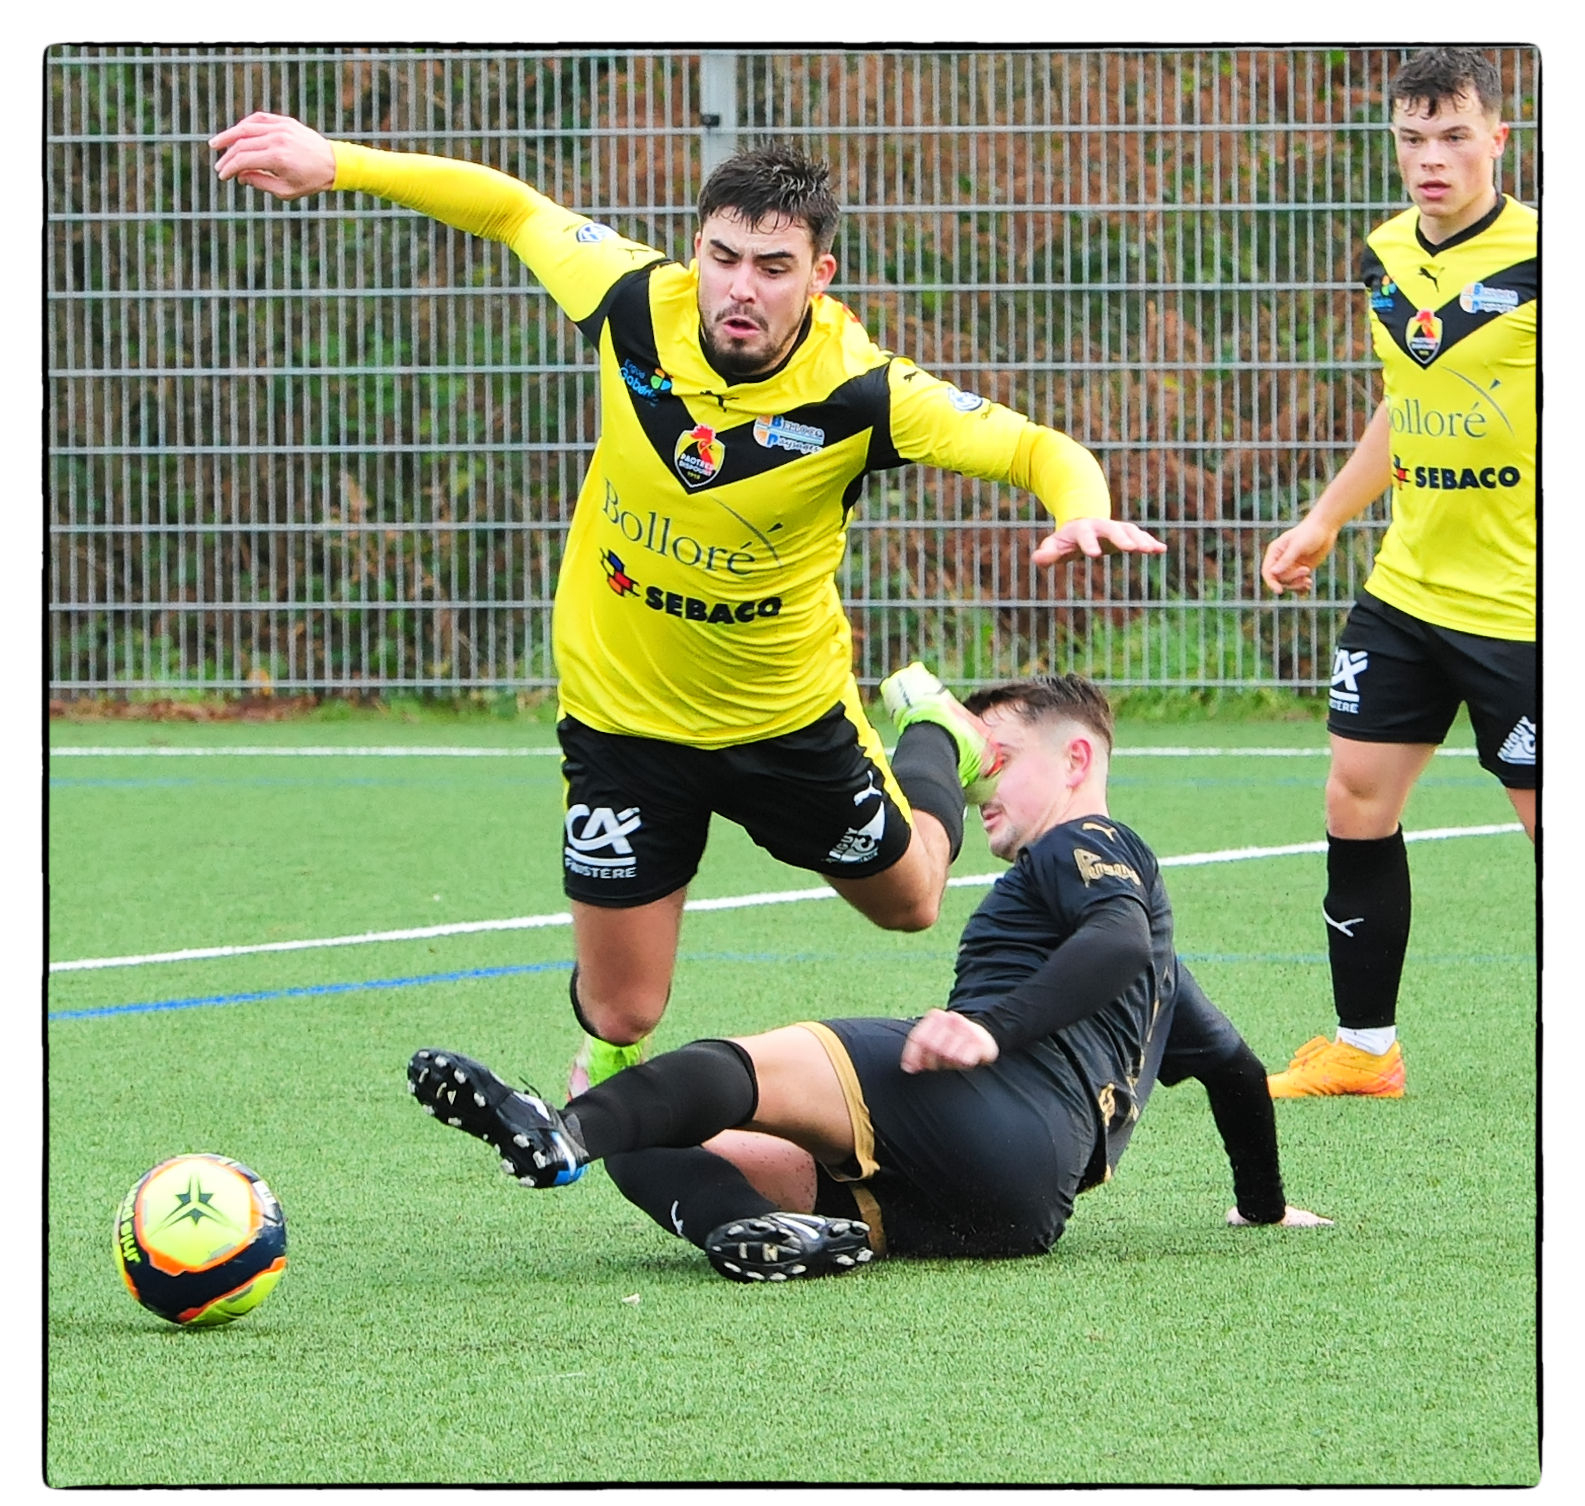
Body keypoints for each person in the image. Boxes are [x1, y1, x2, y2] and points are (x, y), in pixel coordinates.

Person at [210, 113, 1166, 1095]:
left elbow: (1033, 447)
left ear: (819, 276)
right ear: (695, 248)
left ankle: (935, 735)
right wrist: (339, 163)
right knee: (624, 1008)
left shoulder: (862, 392)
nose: (741, 287)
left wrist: (1079, 507)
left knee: (912, 901)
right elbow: (512, 209)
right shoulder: (630, 299)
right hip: (624, 715)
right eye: (723, 257)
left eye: (773, 267)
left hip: (783, 717)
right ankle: (611, 1058)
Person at [407, 675, 1328, 1283]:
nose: (980, 788)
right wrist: (1262, 1208)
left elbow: (1117, 936)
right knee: (652, 1138)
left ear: (1077, 760)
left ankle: (561, 1131)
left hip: (994, 1108)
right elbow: (1233, 1069)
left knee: (739, 1066)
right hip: (1010, 1212)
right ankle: (742, 1228)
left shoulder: (1087, 841)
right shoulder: (1152, 978)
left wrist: (992, 1027)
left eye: (998, 763)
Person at [1260, 47, 1535, 1099]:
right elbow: (1403, 402)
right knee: (1354, 796)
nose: (1431, 159)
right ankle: (1364, 1048)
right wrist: (1326, 518)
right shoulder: (1382, 255)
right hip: (1408, 589)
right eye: (1412, 138)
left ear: (1496, 139)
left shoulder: (1546, 257)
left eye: (1454, 136)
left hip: (1525, 606)